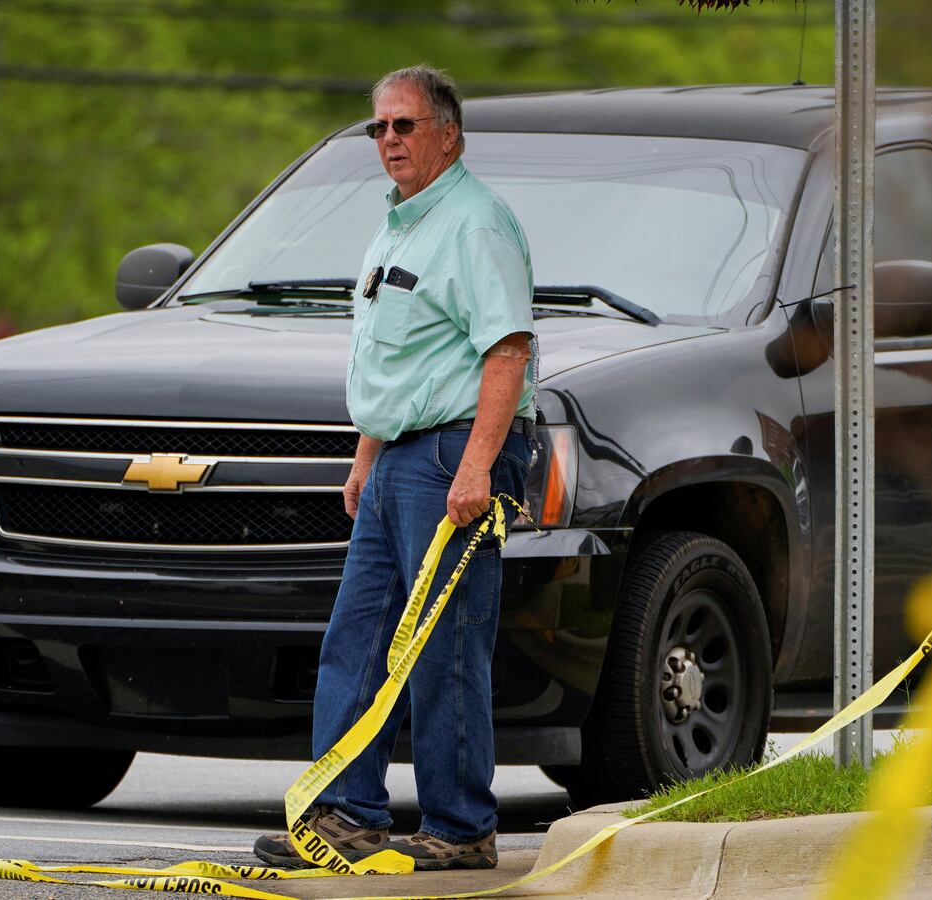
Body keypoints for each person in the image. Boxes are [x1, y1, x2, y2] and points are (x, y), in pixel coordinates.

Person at [253, 64, 536, 873]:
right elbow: (396, 355)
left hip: (454, 455)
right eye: (378, 127)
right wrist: (365, 456)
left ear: (448, 133)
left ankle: (460, 827)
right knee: (358, 637)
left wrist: (479, 466)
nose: (388, 140)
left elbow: (506, 351)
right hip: (396, 460)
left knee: (443, 644)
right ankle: (345, 814)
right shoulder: (397, 227)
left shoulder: (475, 224)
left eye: (404, 125)